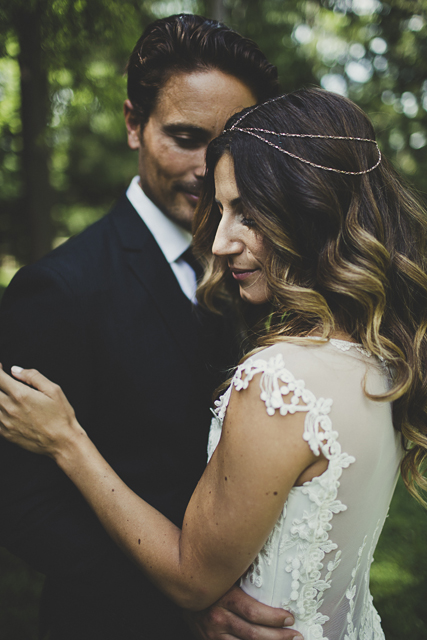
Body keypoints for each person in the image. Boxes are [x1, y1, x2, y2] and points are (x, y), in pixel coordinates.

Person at [1, 87, 427, 639]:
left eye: (246, 213)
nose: (221, 242)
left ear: (308, 206)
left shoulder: (279, 380)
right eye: (222, 211)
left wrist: (67, 440)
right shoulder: (384, 353)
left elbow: (191, 580)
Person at [0, 13, 302, 640]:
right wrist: (185, 599)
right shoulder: (57, 289)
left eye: (230, 141)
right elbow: (23, 504)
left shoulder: (278, 273)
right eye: (187, 137)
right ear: (135, 124)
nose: (208, 167)